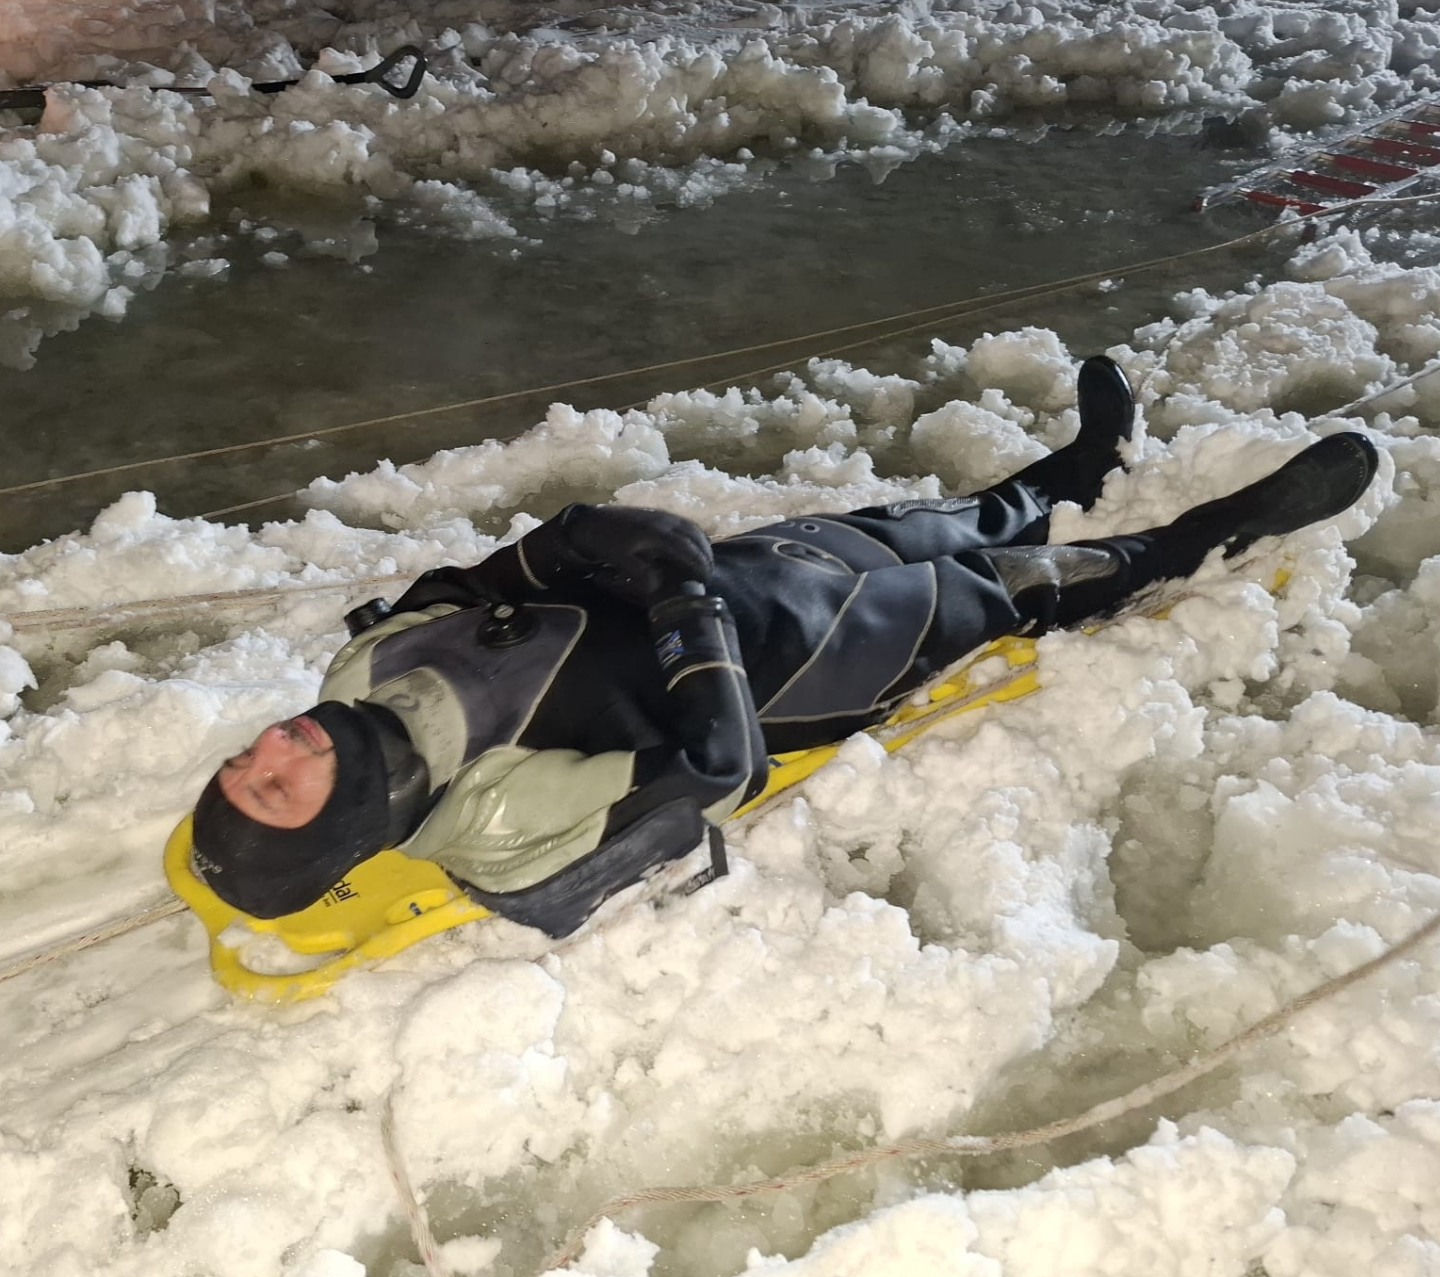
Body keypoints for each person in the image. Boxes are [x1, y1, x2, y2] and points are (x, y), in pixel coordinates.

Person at [188, 357, 1378, 936]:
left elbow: (475, 585)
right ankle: (1229, 524)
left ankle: (1079, 466)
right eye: (280, 790)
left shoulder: (359, 678)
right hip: (819, 660)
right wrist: (678, 600)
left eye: (245, 763)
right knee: (1018, 580)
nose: (274, 748)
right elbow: (712, 770)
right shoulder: (496, 821)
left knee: (944, 519)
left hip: (754, 570)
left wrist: (581, 542)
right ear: (344, 831)